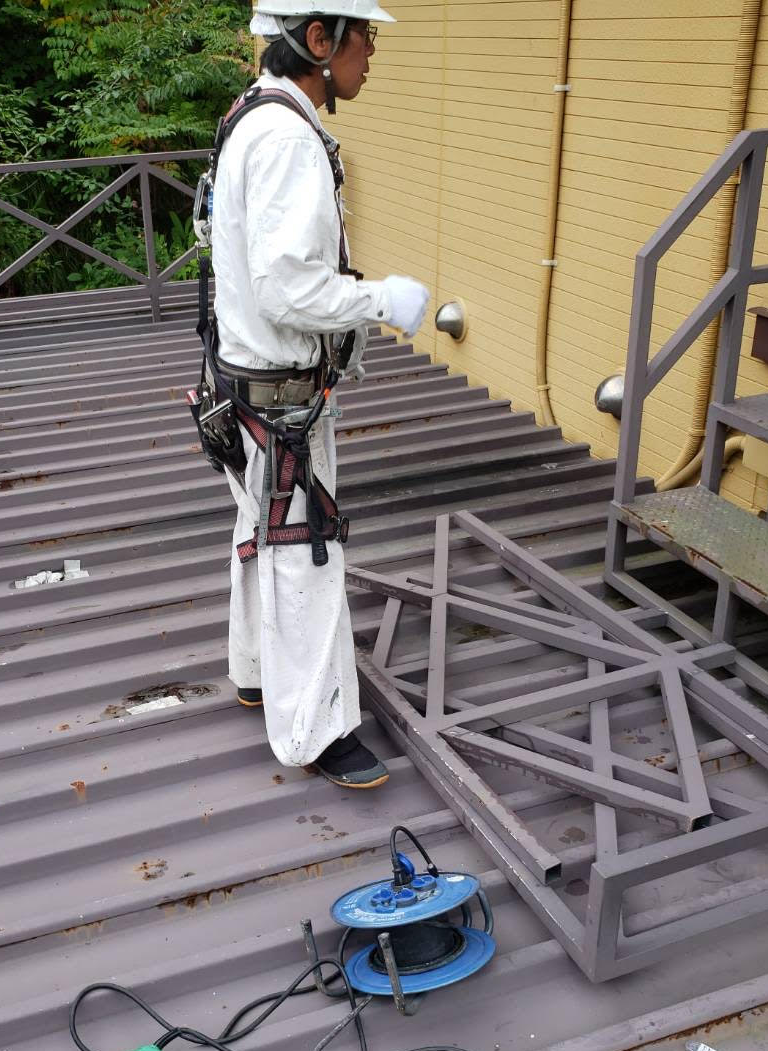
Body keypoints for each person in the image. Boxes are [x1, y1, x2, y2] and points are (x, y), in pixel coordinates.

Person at [201, 0, 431, 789]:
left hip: (243, 382)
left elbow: (219, 244)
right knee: (305, 554)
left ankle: (255, 672)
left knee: (259, 530)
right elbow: (289, 289)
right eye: (365, 38)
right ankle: (315, 734)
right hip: (281, 396)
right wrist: (381, 300)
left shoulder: (246, 117)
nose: (372, 55)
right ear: (319, 38)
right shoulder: (287, 139)